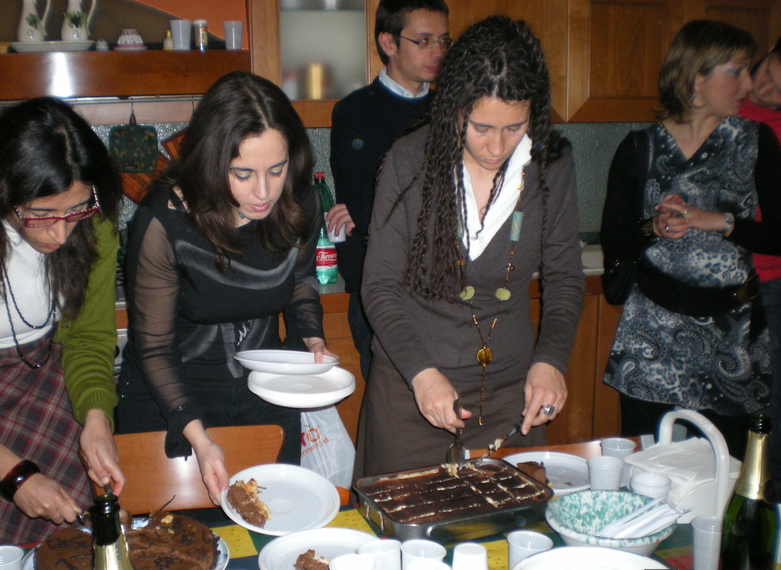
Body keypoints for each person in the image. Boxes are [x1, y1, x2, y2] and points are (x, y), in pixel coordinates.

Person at [354, 16, 585, 477]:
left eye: (514, 127)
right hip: (412, 394)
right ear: (455, 106)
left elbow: (564, 279)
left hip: (510, 399)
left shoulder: (550, 165)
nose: (496, 146)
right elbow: (379, 287)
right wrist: (422, 373)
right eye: (480, 127)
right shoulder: (411, 161)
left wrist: (551, 361)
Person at [117, 72, 332, 504]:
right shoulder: (165, 221)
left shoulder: (297, 202)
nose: (264, 191)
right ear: (212, 163)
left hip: (265, 391)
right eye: (243, 173)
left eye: (277, 169)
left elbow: (302, 278)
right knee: (172, 544)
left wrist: (311, 335)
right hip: (171, 398)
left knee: (272, 523)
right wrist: (198, 436)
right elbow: (154, 347)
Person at [0, 97, 125, 550]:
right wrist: (16, 474)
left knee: (77, 546)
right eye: (41, 214)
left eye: (75, 210)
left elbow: (88, 339)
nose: (61, 233)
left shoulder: (94, 226)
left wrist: (96, 419)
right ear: (1, 191)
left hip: (46, 384)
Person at [602, 20, 781, 459]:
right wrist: (655, 228)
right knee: (647, 470)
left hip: (732, 336)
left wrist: (720, 221)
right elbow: (615, 240)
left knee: (727, 473)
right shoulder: (640, 147)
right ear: (698, 79)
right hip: (652, 337)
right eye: (735, 72)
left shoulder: (758, 141)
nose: (747, 85)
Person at [327, 0, 450, 381]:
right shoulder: (353, 112)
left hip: (444, 290)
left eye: (444, 41)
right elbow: (367, 211)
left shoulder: (452, 109)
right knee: (392, 413)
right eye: (424, 40)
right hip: (380, 292)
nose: (437, 52)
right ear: (388, 42)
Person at [739, 36, 781, 489]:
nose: (763, 89)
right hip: (708, 295)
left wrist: (725, 224)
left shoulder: (770, 136)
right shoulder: (724, 105)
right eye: (766, 71)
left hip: (768, 286)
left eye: (778, 91)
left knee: (765, 423)